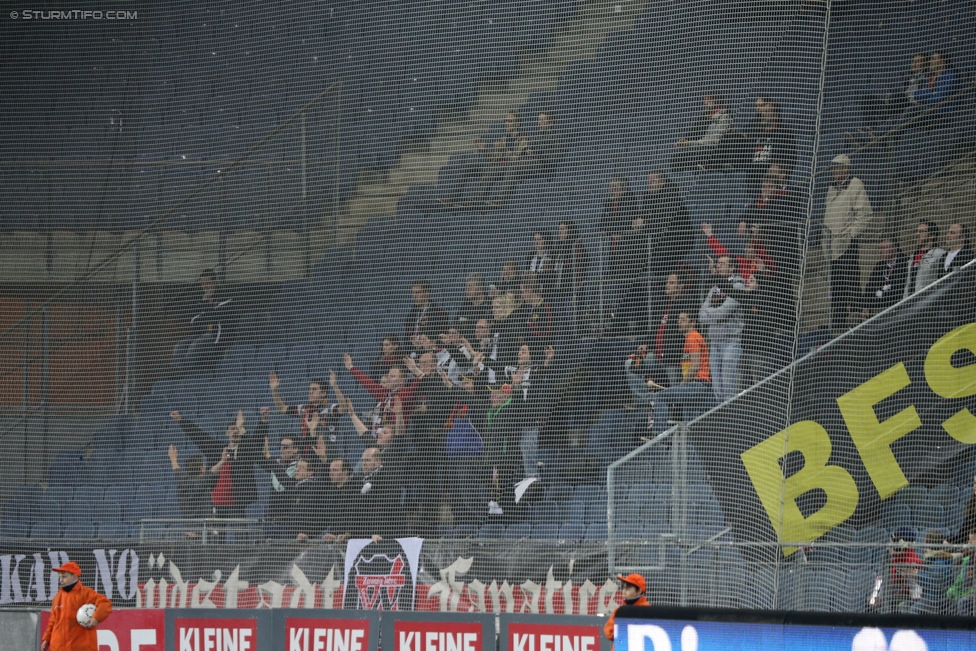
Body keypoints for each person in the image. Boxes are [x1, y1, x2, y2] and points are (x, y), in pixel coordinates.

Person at [170, 409, 265, 519]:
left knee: (240, 533)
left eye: (237, 429)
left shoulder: (247, 450)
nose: (235, 432)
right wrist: (181, 420)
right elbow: (199, 436)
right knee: (216, 534)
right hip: (216, 503)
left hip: (237, 502)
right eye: (232, 429)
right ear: (227, 433)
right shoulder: (216, 448)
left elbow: (257, 442)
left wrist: (263, 421)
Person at [822, 154, 874, 331]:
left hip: (846, 244)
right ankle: (838, 324)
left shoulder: (855, 184)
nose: (834, 171)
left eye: (838, 167)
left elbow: (865, 213)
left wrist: (851, 234)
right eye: (833, 168)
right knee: (836, 288)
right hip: (831, 246)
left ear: (846, 168)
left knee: (851, 283)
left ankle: (856, 322)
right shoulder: (831, 188)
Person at [438, 112, 527, 207]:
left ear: (517, 124)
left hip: (508, 169)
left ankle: (475, 200)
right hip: (497, 166)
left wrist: (503, 150)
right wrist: (485, 150)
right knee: (469, 165)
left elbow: (517, 159)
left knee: (492, 168)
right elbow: (494, 159)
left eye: (509, 121)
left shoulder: (522, 138)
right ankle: (452, 198)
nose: (506, 123)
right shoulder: (503, 139)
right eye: (505, 121)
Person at [648, 311, 714, 434]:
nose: (679, 322)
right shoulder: (690, 338)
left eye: (683, 319)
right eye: (679, 319)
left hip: (697, 385)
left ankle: (660, 436)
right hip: (698, 386)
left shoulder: (692, 338)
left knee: (660, 396)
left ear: (692, 322)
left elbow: (695, 366)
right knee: (690, 426)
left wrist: (683, 383)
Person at [269, 370, 348, 460]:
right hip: (306, 457)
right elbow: (282, 408)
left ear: (323, 393)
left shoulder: (330, 408)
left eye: (314, 389)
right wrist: (274, 390)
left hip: (326, 456)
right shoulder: (304, 409)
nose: (310, 392)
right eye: (310, 389)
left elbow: (344, 408)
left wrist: (335, 386)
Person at [490, 110, 564, 205]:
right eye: (538, 120)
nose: (539, 122)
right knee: (496, 168)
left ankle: (500, 199)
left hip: (543, 167)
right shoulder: (535, 138)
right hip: (530, 163)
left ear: (550, 123)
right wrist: (529, 152)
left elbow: (554, 160)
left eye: (542, 120)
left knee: (514, 165)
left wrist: (537, 152)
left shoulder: (557, 139)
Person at [172, 268, 235, 376]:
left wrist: (206, 312)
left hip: (216, 338)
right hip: (199, 335)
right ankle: (178, 378)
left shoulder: (225, 296)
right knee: (179, 346)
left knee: (195, 346)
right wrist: (207, 305)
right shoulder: (200, 298)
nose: (205, 286)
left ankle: (188, 377)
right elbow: (194, 321)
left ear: (214, 282)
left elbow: (220, 317)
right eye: (203, 283)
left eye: (208, 283)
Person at [699, 255, 745, 402]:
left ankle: (731, 417)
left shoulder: (738, 286)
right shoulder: (714, 288)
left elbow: (725, 311)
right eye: (718, 264)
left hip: (731, 341)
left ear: (732, 268)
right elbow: (701, 316)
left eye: (723, 264)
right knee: (717, 389)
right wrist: (717, 314)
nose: (719, 267)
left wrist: (712, 312)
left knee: (729, 387)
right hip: (714, 342)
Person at [344, 354, 421, 438]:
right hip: (379, 438)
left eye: (392, 376)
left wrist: (415, 369)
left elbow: (421, 381)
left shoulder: (406, 392)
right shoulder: (384, 393)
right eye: (388, 376)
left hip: (395, 441)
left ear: (401, 381)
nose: (388, 379)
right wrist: (351, 367)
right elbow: (367, 383)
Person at [41, 561, 112, 651]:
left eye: (64, 577)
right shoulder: (57, 597)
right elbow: (53, 621)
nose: (61, 580)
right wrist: (46, 639)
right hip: (58, 647)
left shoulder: (86, 593)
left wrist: (96, 618)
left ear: (74, 576)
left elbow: (105, 603)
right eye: (60, 577)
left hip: (81, 647)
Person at [856, 53, 930, 137]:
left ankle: (876, 133)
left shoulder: (926, 78)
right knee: (868, 98)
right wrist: (890, 95)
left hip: (909, 105)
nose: (914, 64)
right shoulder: (907, 77)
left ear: (924, 64)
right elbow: (898, 90)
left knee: (899, 97)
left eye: (918, 61)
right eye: (913, 61)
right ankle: (869, 128)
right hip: (894, 105)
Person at [641, 171, 694, 278]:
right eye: (648, 181)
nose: (649, 183)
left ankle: (666, 286)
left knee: (658, 260)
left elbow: (661, 220)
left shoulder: (670, 195)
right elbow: (646, 218)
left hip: (678, 239)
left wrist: (645, 221)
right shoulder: (647, 198)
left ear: (662, 182)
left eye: (653, 181)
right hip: (659, 239)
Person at [671, 93, 733, 171]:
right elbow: (694, 131)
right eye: (705, 100)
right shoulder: (704, 118)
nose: (705, 103)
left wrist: (691, 143)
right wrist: (685, 140)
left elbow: (714, 141)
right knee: (676, 160)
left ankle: (708, 165)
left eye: (709, 100)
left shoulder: (724, 117)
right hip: (702, 148)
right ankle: (700, 166)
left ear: (717, 101)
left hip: (714, 150)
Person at [861, 238, 908, 319]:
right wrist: (866, 306)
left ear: (894, 248)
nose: (880, 252)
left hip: (895, 308)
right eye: (879, 248)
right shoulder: (879, 266)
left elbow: (899, 289)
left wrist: (881, 294)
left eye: (884, 248)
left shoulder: (904, 263)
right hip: (877, 307)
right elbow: (869, 287)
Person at [168, 444, 214, 520]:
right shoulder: (203, 483)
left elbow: (178, 473)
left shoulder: (182, 484)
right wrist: (222, 460)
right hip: (201, 528)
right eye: (204, 465)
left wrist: (173, 459)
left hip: (188, 528)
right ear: (202, 468)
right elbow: (213, 471)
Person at [603, 573, 650, 647]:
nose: (623, 592)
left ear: (639, 591)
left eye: (628, 589)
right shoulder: (620, 611)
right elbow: (608, 632)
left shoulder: (648, 611)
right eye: (623, 588)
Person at [903, 221, 946, 297]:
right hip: (909, 303)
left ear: (932, 235)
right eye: (917, 231)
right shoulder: (912, 257)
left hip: (928, 302)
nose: (917, 234)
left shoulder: (940, 254)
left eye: (921, 232)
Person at [914, 51, 960, 120]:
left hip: (943, 114)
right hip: (931, 111)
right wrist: (931, 93)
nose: (930, 61)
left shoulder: (950, 76)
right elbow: (916, 94)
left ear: (942, 63)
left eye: (933, 59)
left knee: (911, 110)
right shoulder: (933, 77)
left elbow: (940, 99)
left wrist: (927, 95)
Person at [405, 280, 449, 352]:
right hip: (414, 352)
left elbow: (441, 335)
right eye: (413, 293)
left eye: (418, 292)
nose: (415, 296)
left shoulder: (437, 312)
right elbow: (406, 339)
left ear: (426, 293)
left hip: (433, 353)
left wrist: (423, 342)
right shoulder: (411, 315)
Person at [551, 220, 589, 303]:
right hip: (558, 291)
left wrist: (576, 291)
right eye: (559, 229)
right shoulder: (557, 247)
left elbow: (580, 270)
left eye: (563, 229)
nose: (560, 232)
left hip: (571, 292)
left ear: (570, 230)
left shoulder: (576, 246)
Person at [454, 273, 492, 341]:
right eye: (466, 287)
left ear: (480, 288)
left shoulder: (490, 304)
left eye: (470, 286)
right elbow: (457, 325)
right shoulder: (466, 305)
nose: (467, 290)